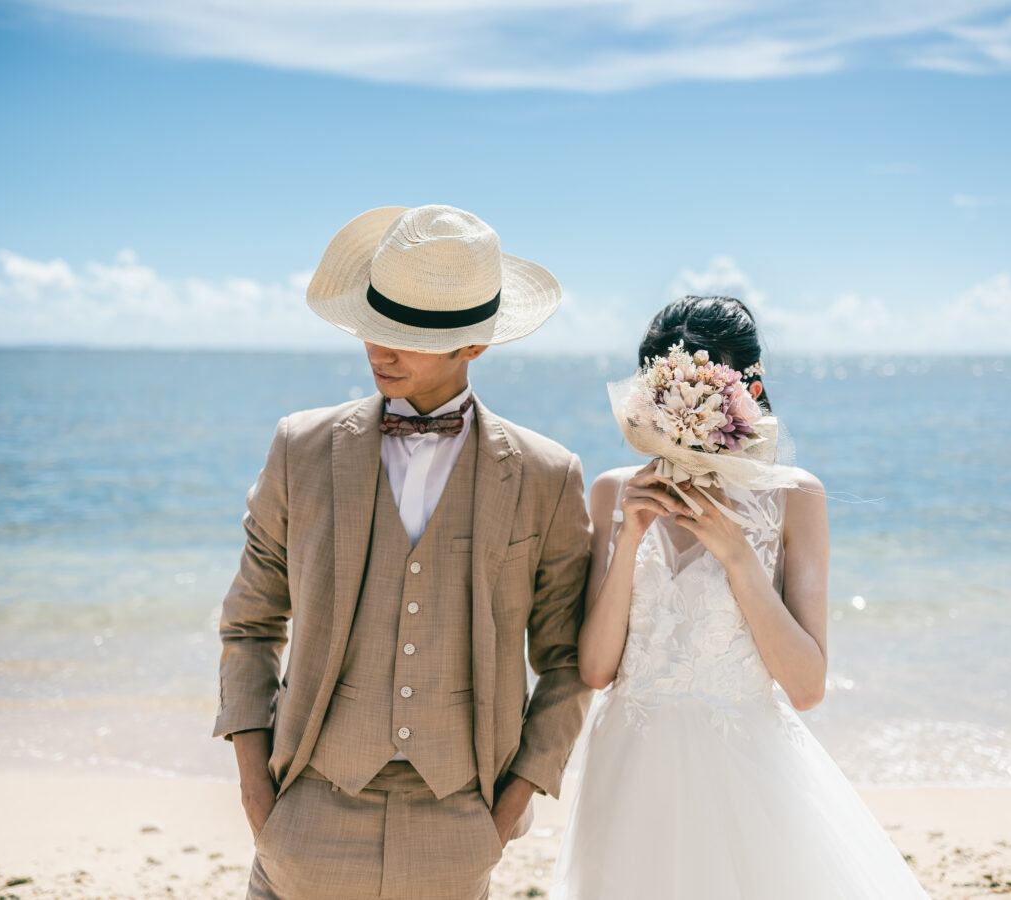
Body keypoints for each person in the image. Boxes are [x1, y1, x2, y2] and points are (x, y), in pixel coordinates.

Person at [213, 205, 594, 900]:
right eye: (375, 326)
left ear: (473, 345)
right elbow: (249, 624)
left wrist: (509, 807)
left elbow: (566, 660)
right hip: (307, 806)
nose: (379, 351)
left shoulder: (547, 475)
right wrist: (255, 794)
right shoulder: (301, 447)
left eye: (409, 338)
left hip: (461, 820)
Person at [551, 296, 930, 898]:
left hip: (745, 773)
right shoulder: (613, 492)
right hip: (628, 768)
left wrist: (738, 557)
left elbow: (806, 687)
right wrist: (628, 542)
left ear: (746, 393)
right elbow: (596, 671)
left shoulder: (795, 497)